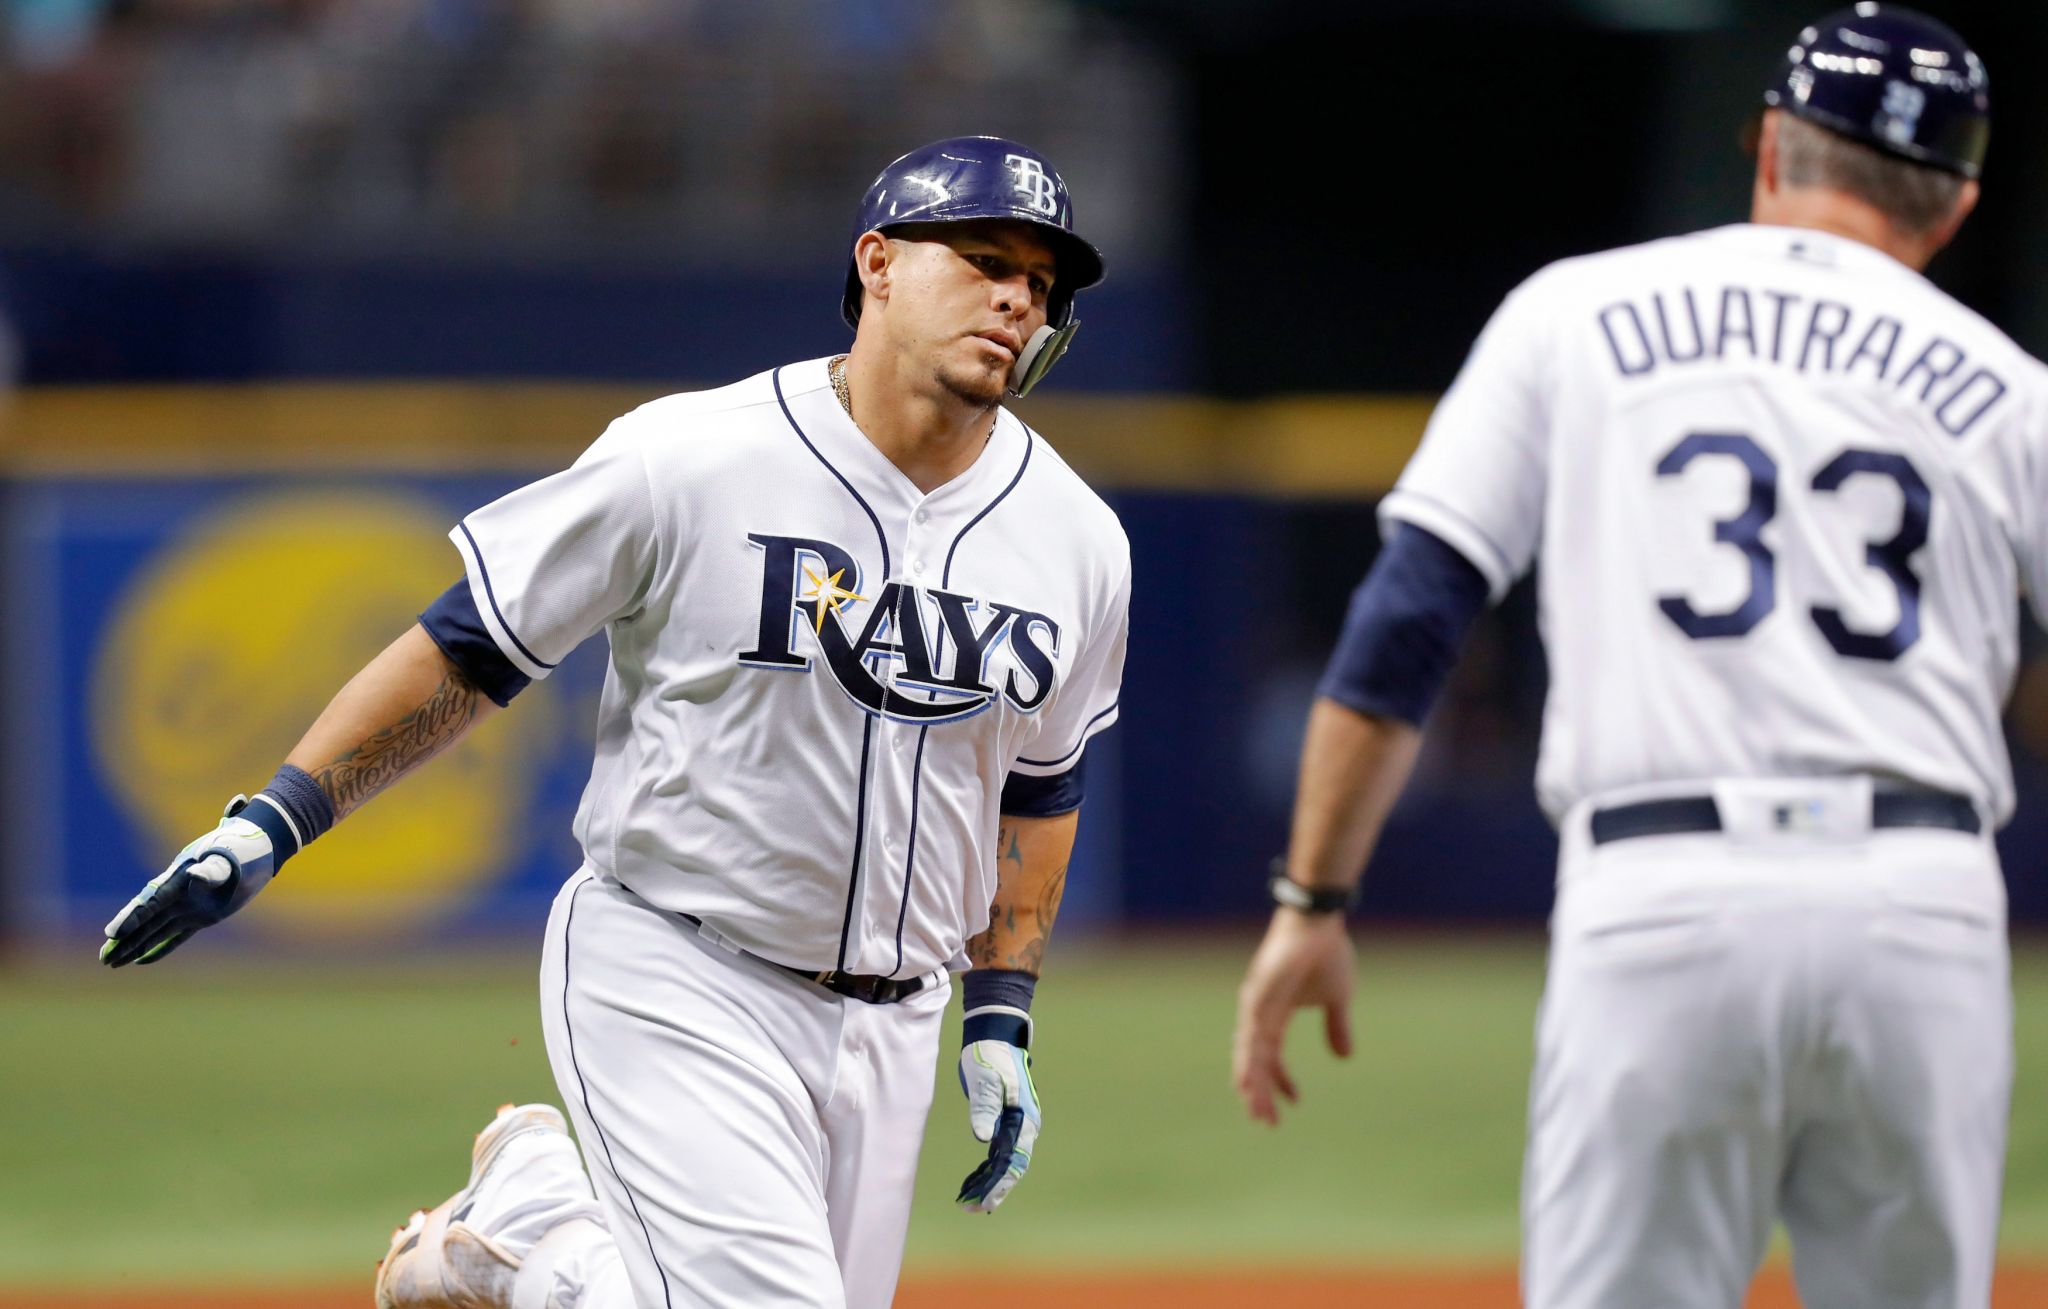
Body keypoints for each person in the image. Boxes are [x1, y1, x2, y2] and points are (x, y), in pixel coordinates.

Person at [100, 135, 1131, 1309]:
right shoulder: (692, 457)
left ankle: (529, 1233)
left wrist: (999, 1015)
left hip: (894, 1020)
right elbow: (471, 646)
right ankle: (544, 1245)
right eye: (985, 257)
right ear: (878, 263)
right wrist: (278, 816)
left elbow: (1037, 790)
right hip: (681, 967)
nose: (1016, 297)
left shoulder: (1078, 540)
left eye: (1041, 284)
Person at [1232, 7, 2017, 1307]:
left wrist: (1311, 899)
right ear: (1959, 203)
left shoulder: (1576, 313)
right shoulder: (2011, 390)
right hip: (1923, 907)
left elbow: (1409, 617)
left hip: (1667, 897)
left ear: (1771, 143)